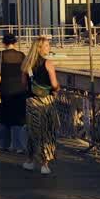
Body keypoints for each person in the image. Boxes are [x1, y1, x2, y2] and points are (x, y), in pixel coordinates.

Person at [21, 36, 59, 175]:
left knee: (32, 131)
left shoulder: (27, 64)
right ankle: (45, 164)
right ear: (39, 47)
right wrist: (56, 89)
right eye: (47, 45)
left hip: (31, 101)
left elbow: (24, 84)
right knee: (47, 131)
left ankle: (30, 161)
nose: (49, 47)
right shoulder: (48, 63)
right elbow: (54, 84)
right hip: (46, 101)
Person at [0, 32, 28, 153]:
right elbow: (28, 71)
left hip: (4, 90)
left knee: (4, 117)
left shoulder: (0, 55)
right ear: (15, 42)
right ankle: (19, 146)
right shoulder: (22, 55)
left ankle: (3, 144)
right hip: (19, 90)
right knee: (18, 118)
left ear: (3, 43)